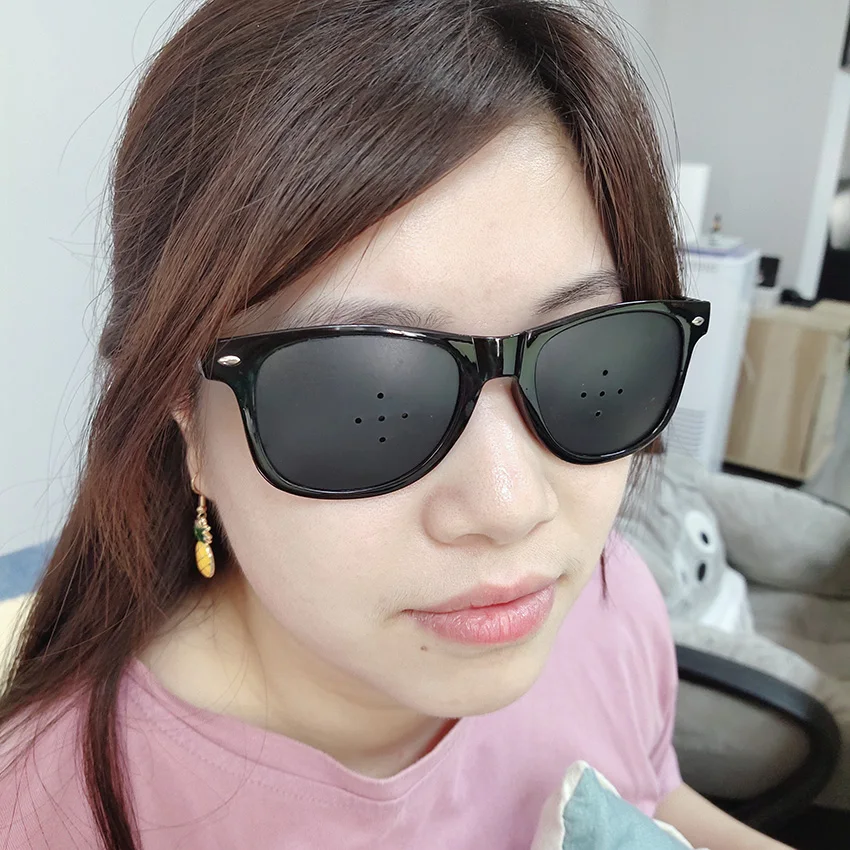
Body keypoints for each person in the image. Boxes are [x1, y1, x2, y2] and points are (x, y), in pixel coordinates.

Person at [0, 1, 794, 848]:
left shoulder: (605, 601)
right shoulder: (52, 807)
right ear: (187, 418)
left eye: (593, 365)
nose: (511, 506)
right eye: (367, 402)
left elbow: (649, 797)